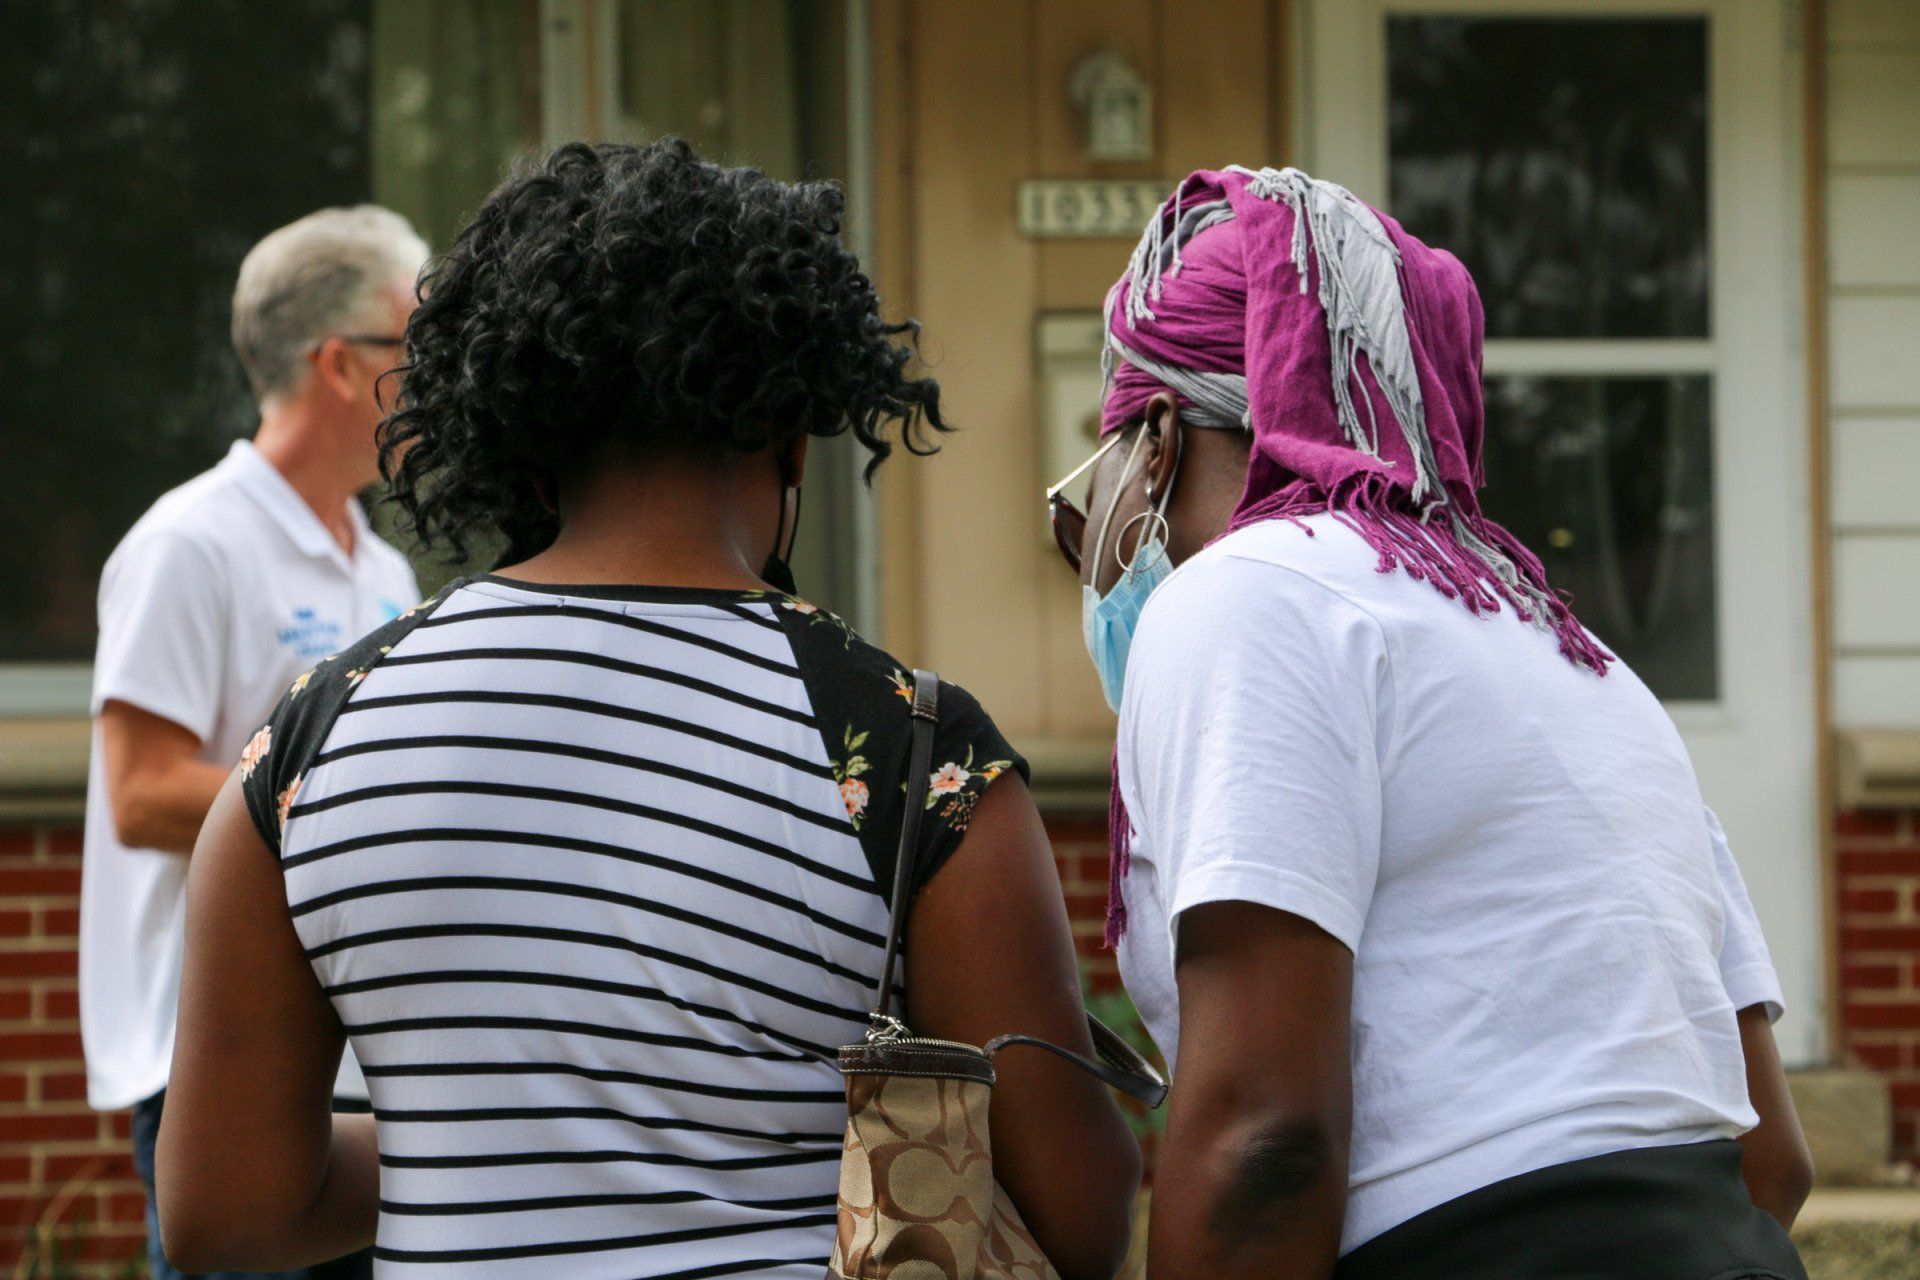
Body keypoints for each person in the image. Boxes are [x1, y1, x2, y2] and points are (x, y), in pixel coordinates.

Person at [155, 139, 1141, 1280]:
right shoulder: (916, 750)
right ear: (789, 433)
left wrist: (486, 1148)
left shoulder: (310, 744)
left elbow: (223, 1207)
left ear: (515, 436)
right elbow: (1082, 1208)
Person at [1049, 166, 1812, 1279]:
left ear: (1156, 440)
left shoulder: (1248, 594)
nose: (1087, 534)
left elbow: (1267, 1141)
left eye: (1089, 490)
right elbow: (1772, 1154)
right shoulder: (1575, 654)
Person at [81, 204, 427, 1280]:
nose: (440, 381)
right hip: (217, 1058)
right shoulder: (190, 541)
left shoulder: (383, 567)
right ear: (339, 364)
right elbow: (138, 794)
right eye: (418, 348)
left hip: (354, 1062)